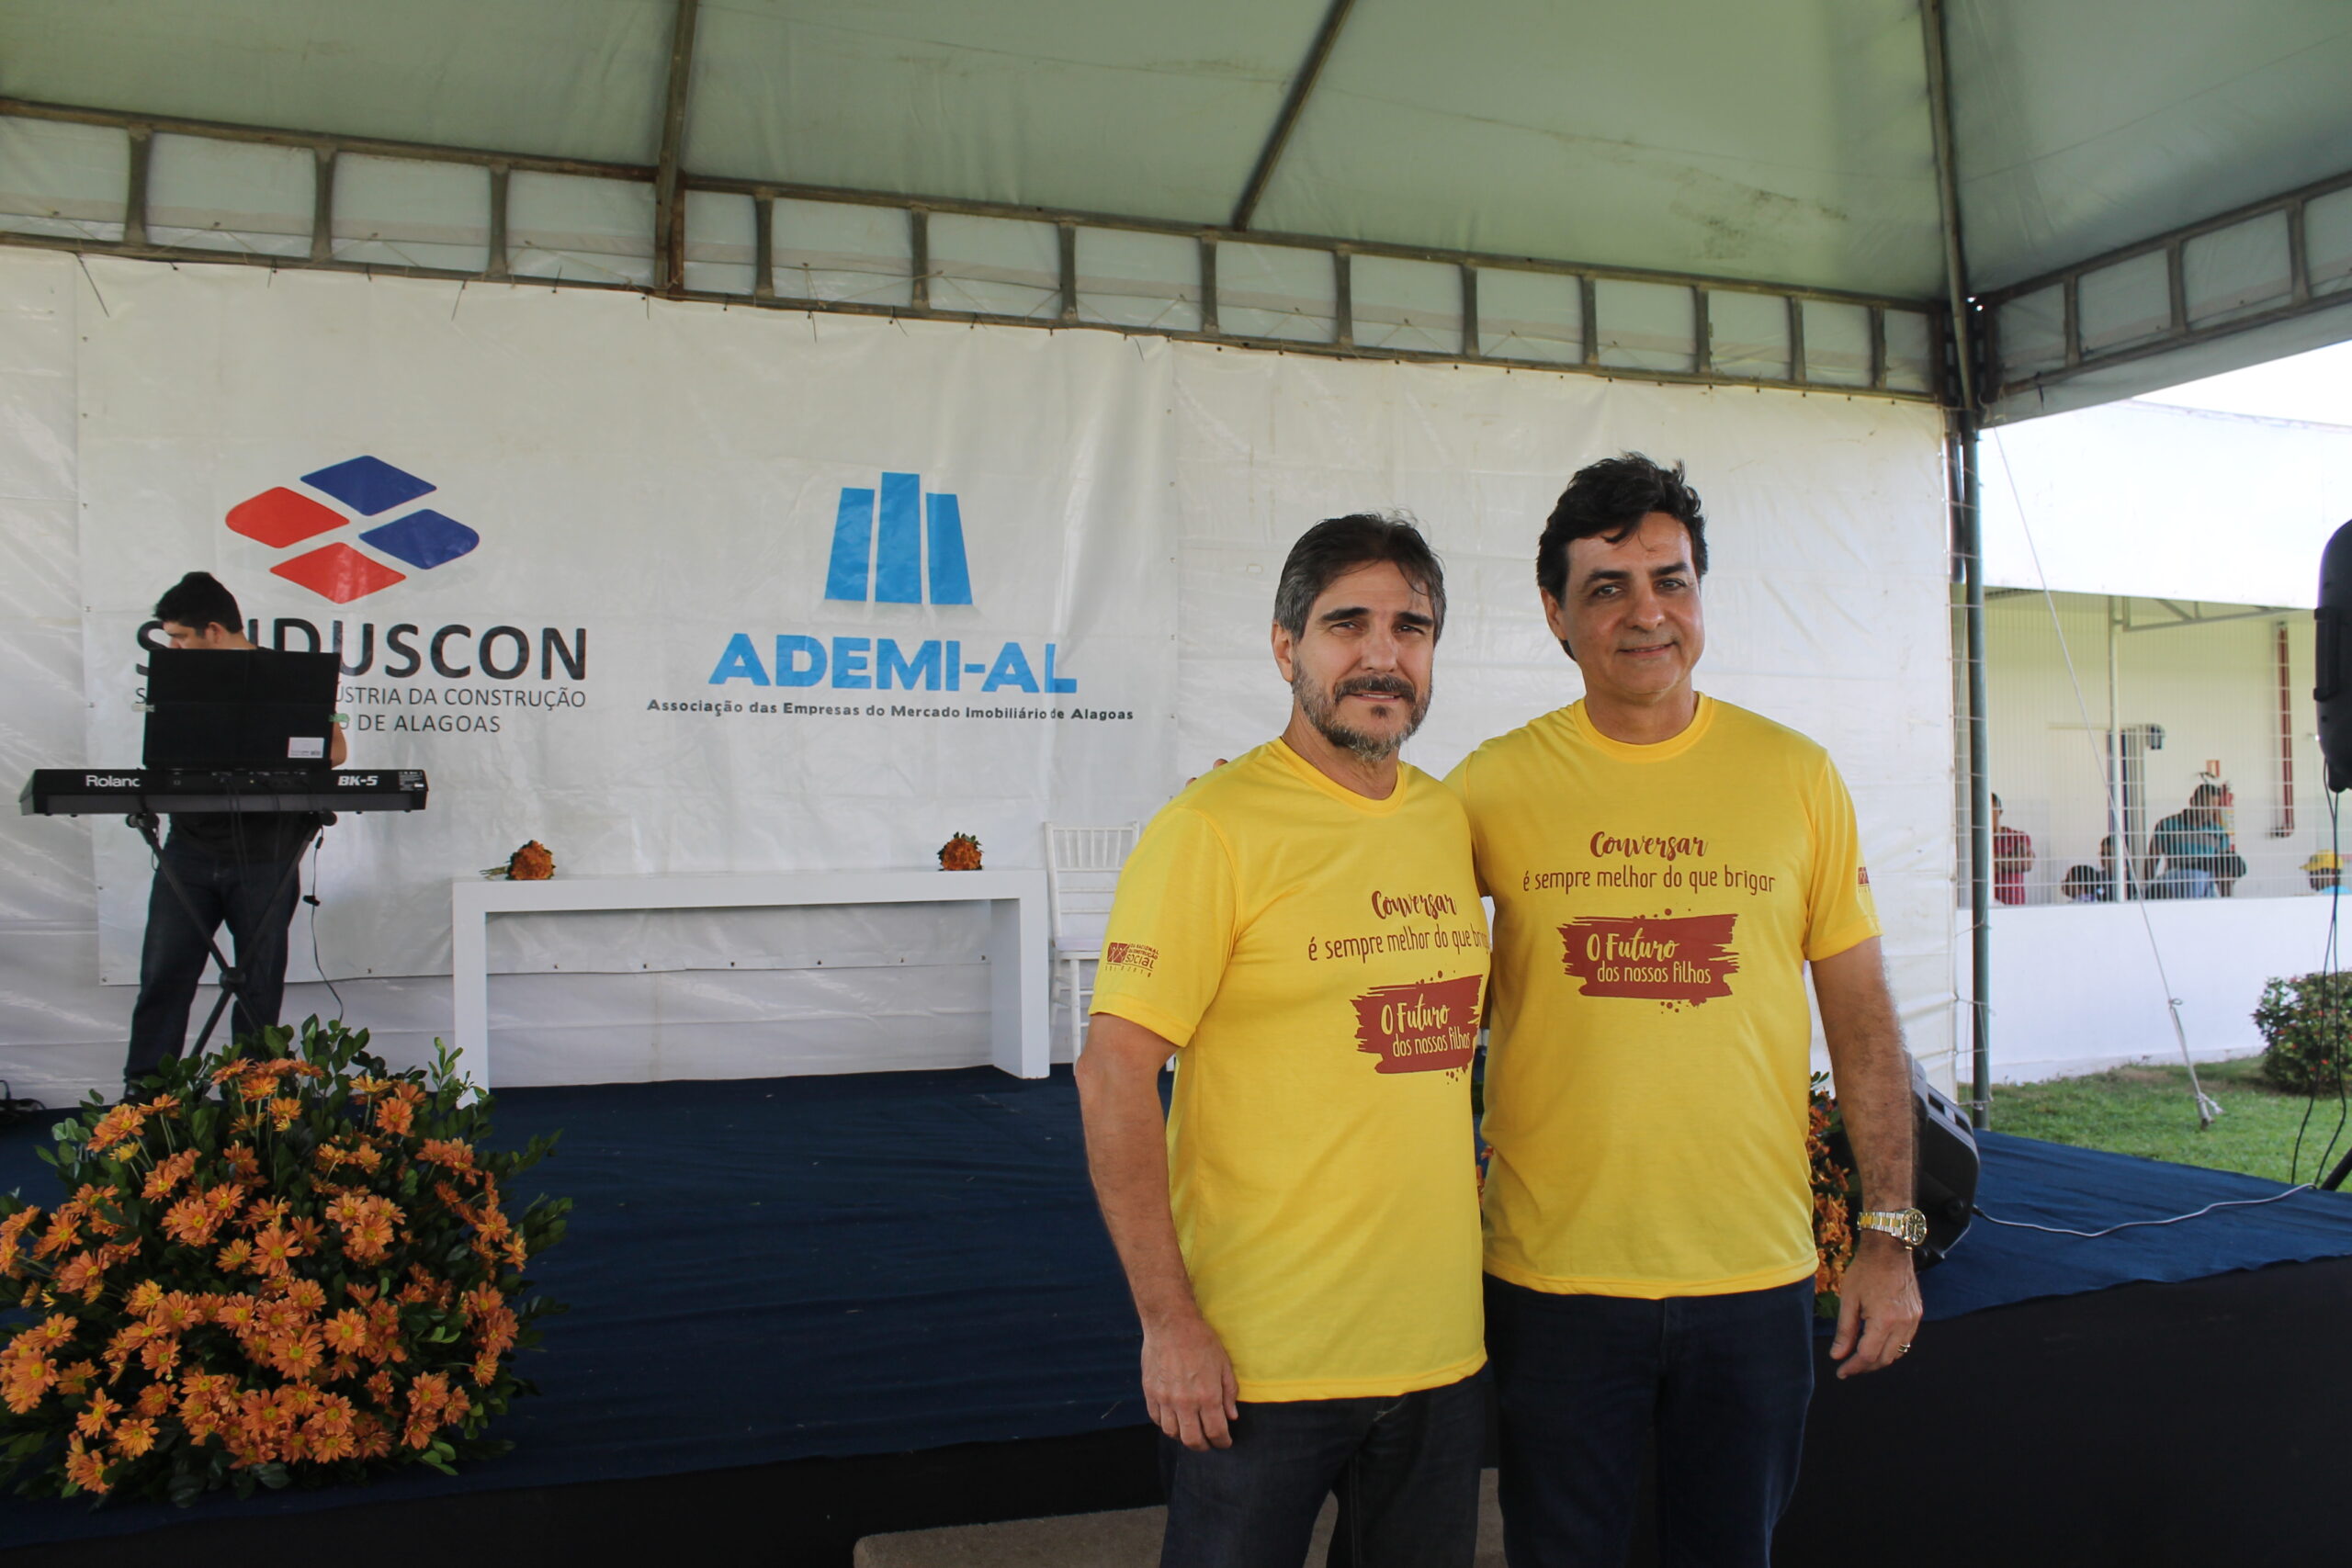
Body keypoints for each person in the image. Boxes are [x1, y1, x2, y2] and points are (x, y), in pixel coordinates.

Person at [1448, 455, 1923, 1568]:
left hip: (1750, 1280)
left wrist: (1889, 1234)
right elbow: (1375, 925)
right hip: (1554, 1281)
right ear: (1556, 615)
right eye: (1606, 588)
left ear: (1700, 594)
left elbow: (1861, 1019)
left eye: (1671, 581)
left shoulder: (1796, 776)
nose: (1646, 613)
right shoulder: (1487, 786)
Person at [1076, 515, 1490, 1568]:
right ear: (1283, 646)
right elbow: (1113, 1073)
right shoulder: (1211, 829)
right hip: (1257, 1364)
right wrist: (1168, 1323)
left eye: (1410, 628)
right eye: (1347, 624)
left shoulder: (1448, 822)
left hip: (1438, 1354)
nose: (1382, 655)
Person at [124, 572, 346, 1095]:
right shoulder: (179, 679)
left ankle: (252, 1095)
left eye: (181, 637)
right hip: (189, 850)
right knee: (164, 974)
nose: (174, 648)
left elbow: (335, 752)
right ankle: (146, 1095)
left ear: (214, 630)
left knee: (258, 983)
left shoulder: (290, 677)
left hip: (268, 853)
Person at [2144, 783, 2244, 898]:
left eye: (2212, 807)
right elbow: (2152, 861)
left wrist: (2226, 902)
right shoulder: (2167, 826)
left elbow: (2224, 869)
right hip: (2174, 891)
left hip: (2205, 894)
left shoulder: (2219, 833)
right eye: (2204, 805)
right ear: (2192, 801)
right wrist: (2148, 889)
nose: (2207, 811)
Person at [1991, 793, 2032, 905]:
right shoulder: (1972, 841)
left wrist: (1991, 861)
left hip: (2013, 903)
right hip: (1984, 904)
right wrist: (2011, 861)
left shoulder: (2018, 837)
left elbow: (2026, 864)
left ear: (2000, 812)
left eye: (1990, 809)